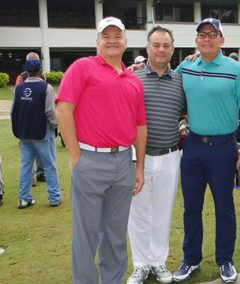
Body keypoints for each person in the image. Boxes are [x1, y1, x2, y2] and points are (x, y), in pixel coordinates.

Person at [55, 17, 147, 284]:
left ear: (125, 41)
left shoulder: (133, 80)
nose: (112, 41)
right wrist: (75, 156)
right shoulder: (83, 67)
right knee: (86, 235)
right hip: (90, 160)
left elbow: (140, 126)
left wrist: (139, 166)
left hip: (123, 162)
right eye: (105, 36)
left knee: (116, 234)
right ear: (97, 42)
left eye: (117, 35)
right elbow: (63, 108)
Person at [172, 18, 240, 283]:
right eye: (202, 35)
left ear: (222, 40)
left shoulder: (237, 71)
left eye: (213, 34)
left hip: (224, 147)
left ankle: (225, 260)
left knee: (224, 207)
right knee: (191, 207)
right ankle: (191, 259)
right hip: (192, 146)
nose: (207, 39)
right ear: (196, 41)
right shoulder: (186, 66)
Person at [126, 26, 186, 284]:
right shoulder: (133, 79)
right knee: (138, 214)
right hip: (138, 158)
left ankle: (158, 262)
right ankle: (140, 264)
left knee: (162, 212)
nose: (161, 49)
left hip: (171, 156)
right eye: (156, 45)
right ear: (147, 48)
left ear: (172, 48)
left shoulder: (181, 81)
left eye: (166, 45)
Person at [11, 59, 61, 209]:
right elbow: (50, 112)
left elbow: (14, 111)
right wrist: (54, 126)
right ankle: (54, 197)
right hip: (43, 132)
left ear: (26, 72)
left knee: (26, 165)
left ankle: (24, 198)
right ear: (40, 72)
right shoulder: (46, 88)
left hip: (25, 133)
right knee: (50, 165)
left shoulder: (18, 88)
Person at [15, 52, 47, 185]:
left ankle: (40, 173)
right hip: (26, 122)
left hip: (38, 121)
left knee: (39, 153)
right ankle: (31, 177)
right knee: (28, 156)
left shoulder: (43, 78)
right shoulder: (21, 78)